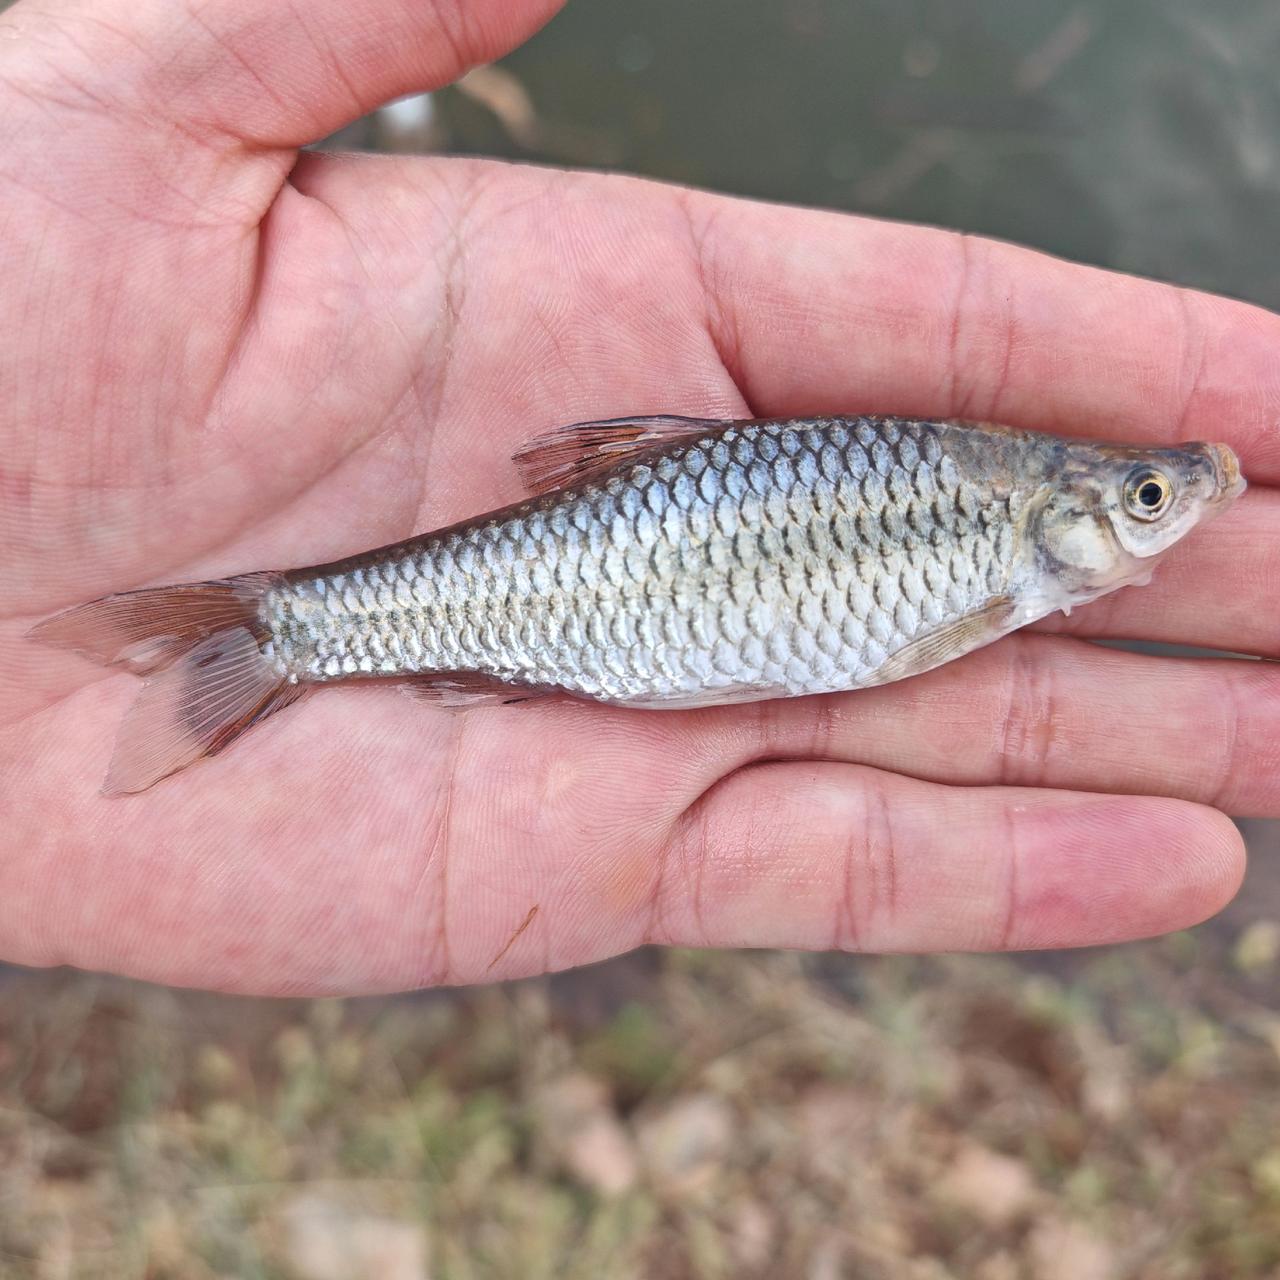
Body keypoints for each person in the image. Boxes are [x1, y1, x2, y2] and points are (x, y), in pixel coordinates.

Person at [1, 0, 1275, 996]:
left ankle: (276, 631)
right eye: (1144, 497)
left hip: (643, 598)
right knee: (329, 623)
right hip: (616, 596)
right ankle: (281, 630)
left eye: (1144, 496)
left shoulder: (1006, 546)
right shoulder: (1000, 557)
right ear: (1056, 514)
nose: (1160, 510)